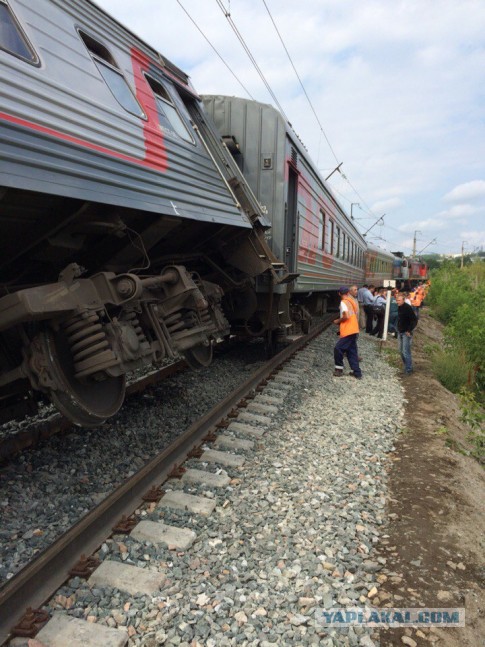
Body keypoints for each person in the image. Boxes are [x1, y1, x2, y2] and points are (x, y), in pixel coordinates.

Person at [333, 286, 362, 379]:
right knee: (351, 352)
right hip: (354, 329)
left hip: (348, 330)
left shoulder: (343, 302)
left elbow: (345, 316)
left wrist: (337, 321)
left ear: (339, 294)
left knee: (338, 348)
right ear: (348, 293)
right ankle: (357, 373)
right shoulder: (352, 301)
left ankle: (339, 369)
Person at [396, 293, 417, 375]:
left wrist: (409, 330)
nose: (398, 302)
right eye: (397, 300)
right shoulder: (399, 307)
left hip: (406, 333)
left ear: (403, 300)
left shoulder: (407, 308)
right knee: (400, 351)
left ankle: (409, 369)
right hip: (400, 331)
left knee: (406, 351)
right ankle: (407, 366)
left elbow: (414, 320)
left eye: (399, 300)